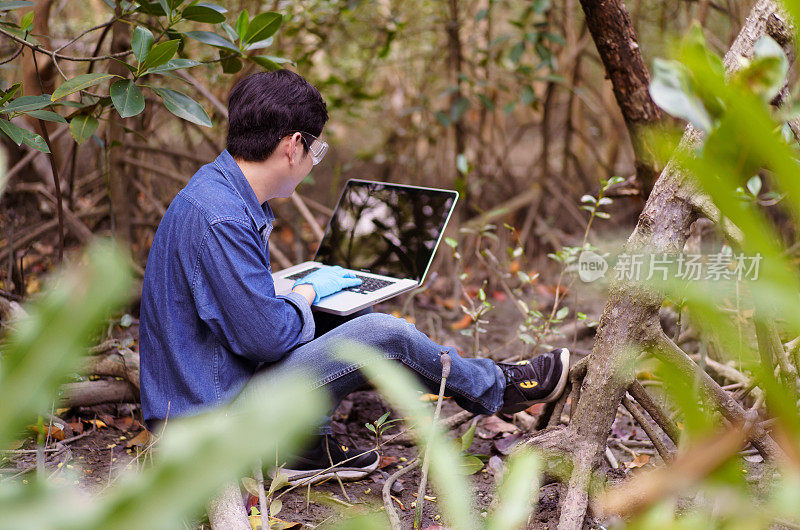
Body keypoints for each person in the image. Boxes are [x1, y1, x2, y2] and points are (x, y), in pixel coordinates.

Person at [139, 69, 570, 486]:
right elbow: (266, 339)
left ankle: (301, 451)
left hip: (205, 397)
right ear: (293, 146)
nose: (312, 160)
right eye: (316, 151)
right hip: (209, 426)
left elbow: (221, 305)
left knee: (336, 310)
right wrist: (305, 291)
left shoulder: (215, 191)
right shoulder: (224, 217)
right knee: (381, 332)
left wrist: (284, 291)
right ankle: (501, 387)